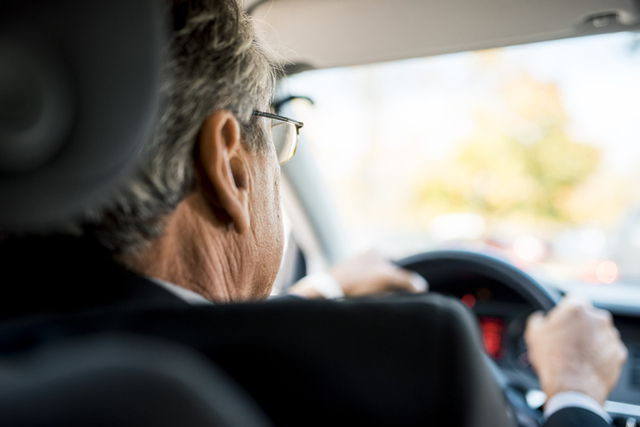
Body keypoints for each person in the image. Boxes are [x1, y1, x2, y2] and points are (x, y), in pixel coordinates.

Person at [0, 0, 626, 425]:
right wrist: (573, 388)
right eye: (276, 135)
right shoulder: (418, 363)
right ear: (229, 164)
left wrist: (318, 292)